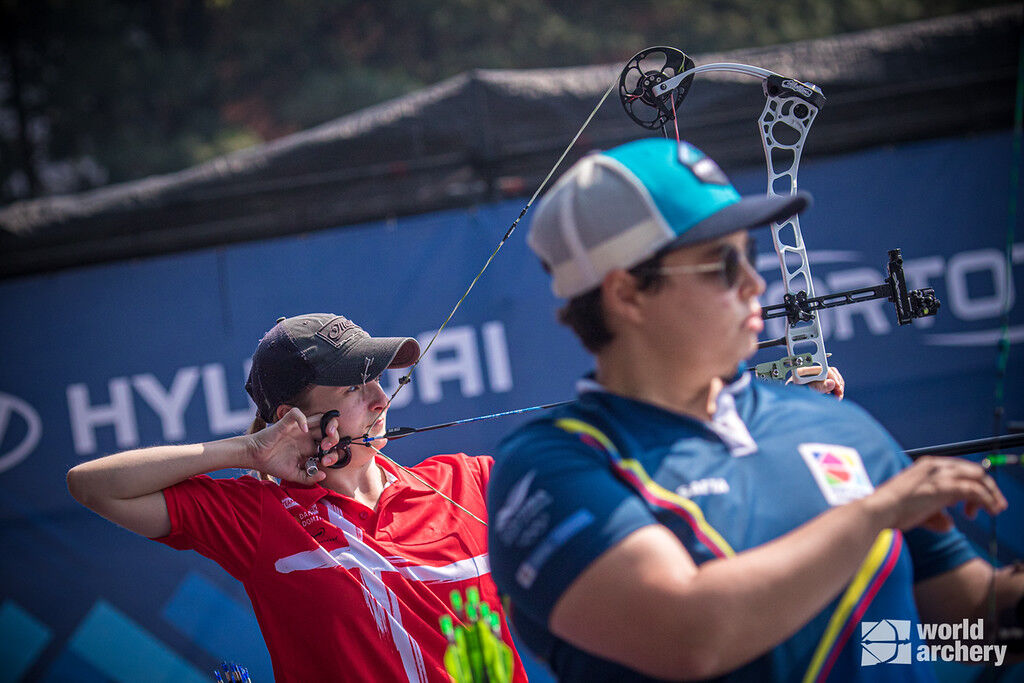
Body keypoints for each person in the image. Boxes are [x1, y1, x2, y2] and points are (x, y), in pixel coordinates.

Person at [485, 138, 1024, 681]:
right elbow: (690, 636)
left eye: (750, 254)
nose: (754, 283)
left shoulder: (838, 424)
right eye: (721, 264)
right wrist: (875, 512)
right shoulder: (551, 467)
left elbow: (966, 621)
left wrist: (951, 630)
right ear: (627, 296)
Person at [67, 313, 527, 683]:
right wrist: (247, 451)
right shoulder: (261, 517)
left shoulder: (464, 480)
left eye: (379, 380)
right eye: (355, 387)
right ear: (294, 419)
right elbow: (91, 485)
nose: (381, 399)